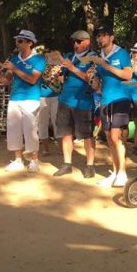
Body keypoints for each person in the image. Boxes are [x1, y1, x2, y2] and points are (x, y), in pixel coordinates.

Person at [53, 30, 98, 178]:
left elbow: (91, 80)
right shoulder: (68, 56)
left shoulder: (93, 58)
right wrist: (56, 73)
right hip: (65, 99)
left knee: (87, 135)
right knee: (66, 133)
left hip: (83, 102)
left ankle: (90, 165)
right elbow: (62, 78)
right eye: (74, 41)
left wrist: (72, 68)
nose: (75, 44)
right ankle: (67, 164)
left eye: (78, 41)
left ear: (87, 42)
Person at [93, 24, 133, 187]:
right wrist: (93, 79)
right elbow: (97, 82)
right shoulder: (99, 56)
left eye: (103, 35)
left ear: (111, 37)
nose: (100, 38)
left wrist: (105, 65)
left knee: (116, 136)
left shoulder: (121, 53)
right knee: (109, 137)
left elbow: (128, 75)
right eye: (98, 36)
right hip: (105, 100)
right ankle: (116, 172)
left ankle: (123, 173)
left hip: (120, 99)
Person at [1, 30, 46, 173]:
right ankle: (18, 160)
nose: (17, 43)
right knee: (13, 130)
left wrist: (14, 68)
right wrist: (2, 76)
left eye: (20, 41)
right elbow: (8, 80)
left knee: (30, 130)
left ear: (30, 43)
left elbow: (32, 79)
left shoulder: (39, 59)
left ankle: (34, 160)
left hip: (31, 99)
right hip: (14, 98)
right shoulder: (14, 59)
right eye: (17, 41)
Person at [37, 48, 60, 157]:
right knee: (42, 123)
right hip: (42, 96)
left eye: (49, 52)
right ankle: (45, 149)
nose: (48, 55)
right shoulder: (39, 64)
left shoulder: (60, 63)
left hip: (56, 96)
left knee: (58, 123)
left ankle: (62, 148)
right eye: (45, 53)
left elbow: (63, 79)